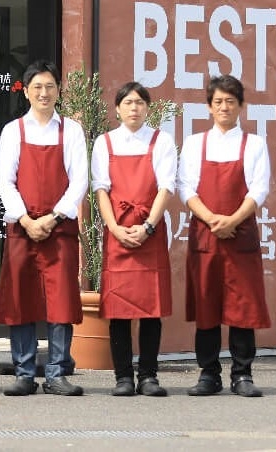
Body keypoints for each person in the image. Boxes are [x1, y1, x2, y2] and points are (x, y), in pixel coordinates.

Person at [0, 60, 88, 397]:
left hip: (58, 229)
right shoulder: (13, 131)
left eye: (50, 86)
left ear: (59, 90)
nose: (44, 93)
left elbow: (80, 180)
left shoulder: (72, 131)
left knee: (60, 300)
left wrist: (54, 217)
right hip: (22, 228)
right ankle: (23, 371)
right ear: (25, 91)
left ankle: (57, 372)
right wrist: (25, 219)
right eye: (37, 87)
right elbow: (5, 180)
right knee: (22, 298)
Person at [177, 73, 271, 398]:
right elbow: (185, 187)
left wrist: (232, 219)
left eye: (230, 101)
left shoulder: (254, 144)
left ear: (241, 106)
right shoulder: (194, 143)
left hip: (240, 235)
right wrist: (212, 219)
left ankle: (242, 374)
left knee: (242, 307)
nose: (224, 107)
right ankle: (208, 373)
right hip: (206, 236)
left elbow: (259, 188)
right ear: (208, 106)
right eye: (218, 102)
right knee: (207, 305)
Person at [92, 81, 176, 398]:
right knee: (118, 309)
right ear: (117, 108)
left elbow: (166, 187)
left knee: (151, 309)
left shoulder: (161, 141)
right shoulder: (105, 143)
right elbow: (101, 188)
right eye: (127, 102)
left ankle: (149, 375)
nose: (134, 107)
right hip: (117, 233)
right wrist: (113, 227)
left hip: (149, 234)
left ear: (148, 108)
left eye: (140, 102)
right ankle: (123, 376)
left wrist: (148, 226)